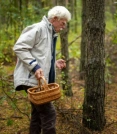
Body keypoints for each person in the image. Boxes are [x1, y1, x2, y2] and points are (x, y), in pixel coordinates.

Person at [13, 6, 71, 134]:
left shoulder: (50, 33)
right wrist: (35, 66)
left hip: (37, 80)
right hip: (32, 79)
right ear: (55, 18)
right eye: (63, 23)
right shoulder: (39, 28)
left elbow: (39, 55)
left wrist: (53, 62)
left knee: (37, 116)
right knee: (49, 113)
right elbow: (19, 47)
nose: (63, 27)